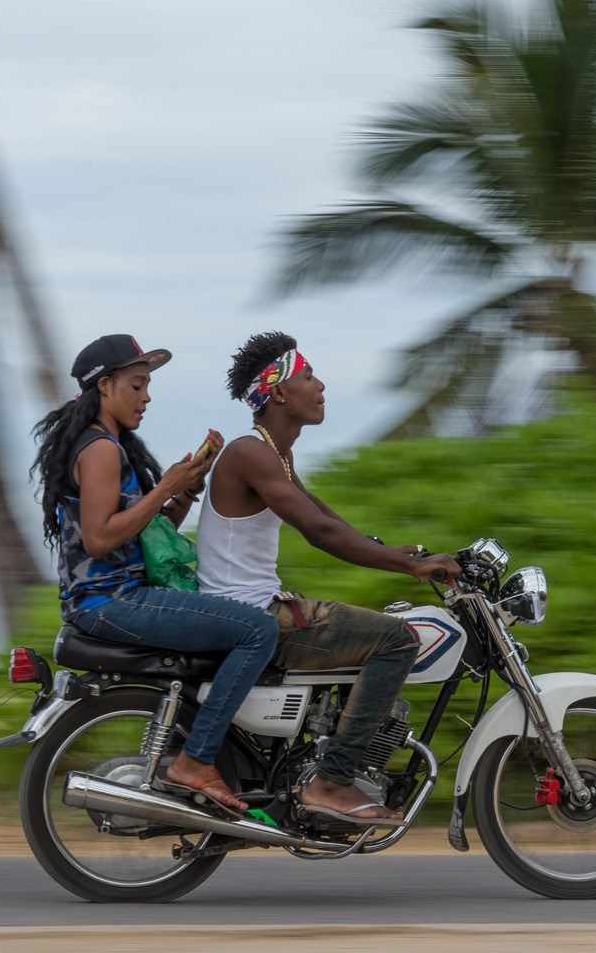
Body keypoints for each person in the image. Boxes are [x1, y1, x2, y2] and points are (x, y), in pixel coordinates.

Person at [194, 331, 461, 823]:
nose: (320, 385)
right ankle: (333, 782)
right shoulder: (249, 452)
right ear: (277, 391)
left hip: (257, 606)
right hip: (253, 614)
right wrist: (411, 567)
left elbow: (326, 517)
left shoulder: (275, 454)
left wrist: (387, 550)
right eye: (308, 376)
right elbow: (317, 532)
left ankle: (323, 765)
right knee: (398, 639)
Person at [32, 334, 279, 815]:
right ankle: (195, 760)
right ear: (105, 386)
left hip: (117, 595)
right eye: (137, 384)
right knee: (258, 628)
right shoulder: (101, 449)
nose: (147, 396)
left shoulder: (110, 446)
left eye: (147, 385)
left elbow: (144, 536)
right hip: (110, 602)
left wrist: (184, 492)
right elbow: (102, 538)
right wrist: (164, 485)